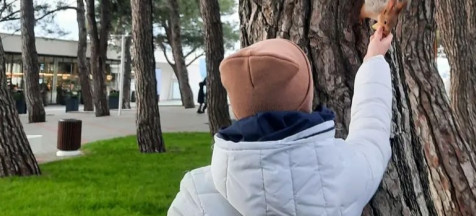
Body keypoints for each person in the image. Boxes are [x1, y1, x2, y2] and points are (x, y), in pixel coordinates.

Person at [169, 27, 394, 216]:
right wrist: (373, 59)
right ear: (305, 96)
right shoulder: (345, 172)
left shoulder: (197, 194)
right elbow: (372, 130)